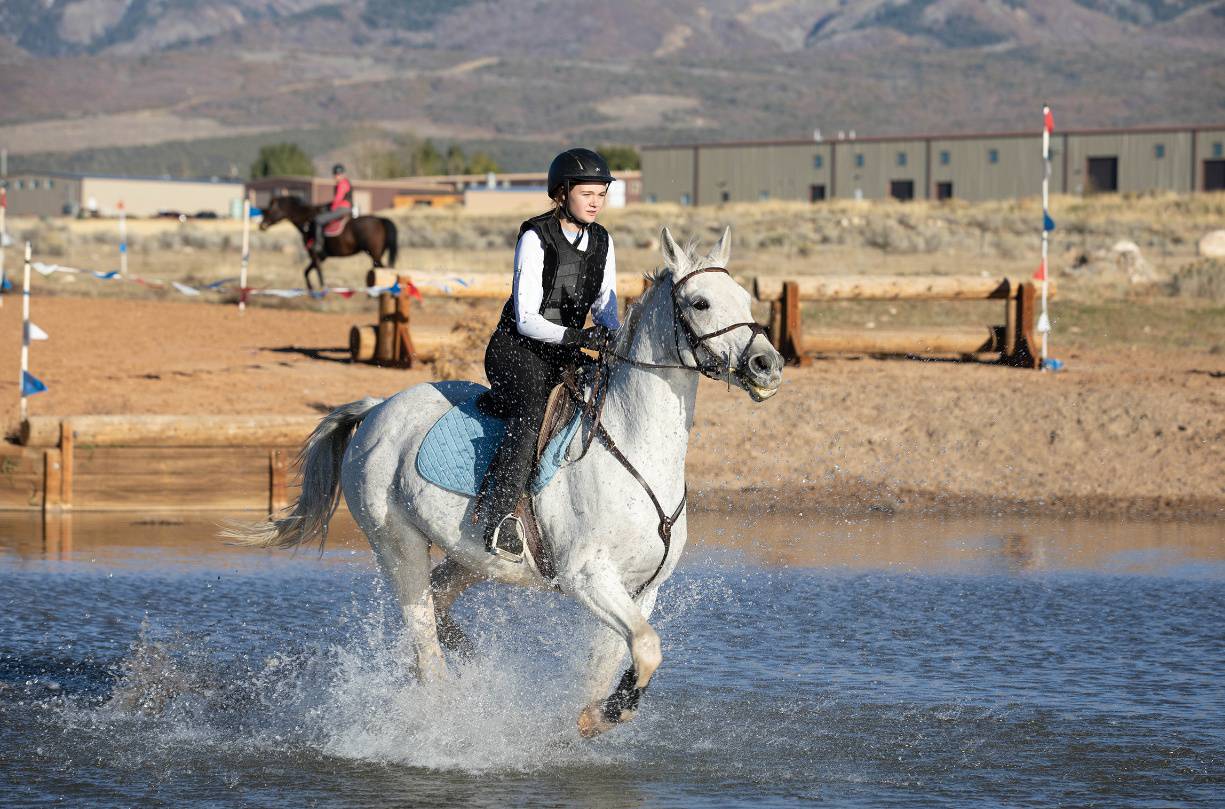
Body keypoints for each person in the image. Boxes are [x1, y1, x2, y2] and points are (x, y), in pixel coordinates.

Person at [477, 148, 620, 560]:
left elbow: (605, 304)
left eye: (601, 194)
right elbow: (525, 318)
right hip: (516, 351)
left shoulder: (603, 240)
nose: (596, 202)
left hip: (563, 350)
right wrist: (581, 338)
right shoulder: (535, 236)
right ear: (562, 193)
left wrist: (612, 336)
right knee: (533, 408)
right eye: (587, 194)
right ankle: (499, 518)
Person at [312, 164, 352, 260]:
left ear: (342, 174)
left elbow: (338, 198)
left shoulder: (342, 184)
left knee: (318, 220)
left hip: (342, 208)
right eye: (335, 175)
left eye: (338, 174)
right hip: (344, 207)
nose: (336, 176)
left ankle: (318, 245)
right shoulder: (344, 183)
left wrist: (332, 208)